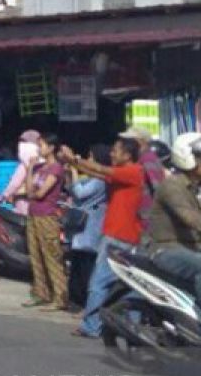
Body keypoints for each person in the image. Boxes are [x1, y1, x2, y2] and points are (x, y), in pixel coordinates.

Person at [60, 137, 146, 338]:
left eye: (116, 151)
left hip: (118, 238)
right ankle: (131, 324)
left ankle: (91, 326)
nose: (112, 154)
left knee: (99, 284)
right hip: (123, 237)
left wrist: (75, 159)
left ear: (127, 155)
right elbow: (96, 173)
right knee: (126, 284)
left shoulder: (132, 172)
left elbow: (103, 170)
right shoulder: (126, 174)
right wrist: (73, 163)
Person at [144, 133, 201, 310]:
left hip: (188, 248)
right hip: (166, 250)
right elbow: (191, 219)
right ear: (188, 158)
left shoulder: (192, 187)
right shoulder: (172, 186)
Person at [23, 133, 69, 310]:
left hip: (47, 216)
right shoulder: (40, 168)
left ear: (51, 148)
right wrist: (30, 169)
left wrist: (33, 194)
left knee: (51, 256)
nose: (38, 148)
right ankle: (41, 292)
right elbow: (29, 191)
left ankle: (60, 297)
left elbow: (41, 193)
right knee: (36, 256)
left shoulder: (56, 168)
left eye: (41, 145)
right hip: (33, 214)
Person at [65, 144, 110, 308]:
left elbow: (80, 193)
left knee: (86, 265)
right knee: (77, 262)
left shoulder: (100, 180)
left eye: (91, 157)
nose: (88, 160)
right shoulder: (91, 177)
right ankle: (74, 298)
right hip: (80, 225)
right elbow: (73, 189)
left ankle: (83, 299)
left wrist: (75, 170)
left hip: (91, 224)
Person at [120, 126, 165, 230]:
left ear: (139, 142)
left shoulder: (147, 159)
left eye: (128, 141)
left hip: (147, 220)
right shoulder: (141, 158)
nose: (125, 144)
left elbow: (159, 188)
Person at [2, 130, 40, 216]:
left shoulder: (24, 166)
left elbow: (15, 183)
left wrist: (5, 194)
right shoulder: (42, 162)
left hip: (23, 201)